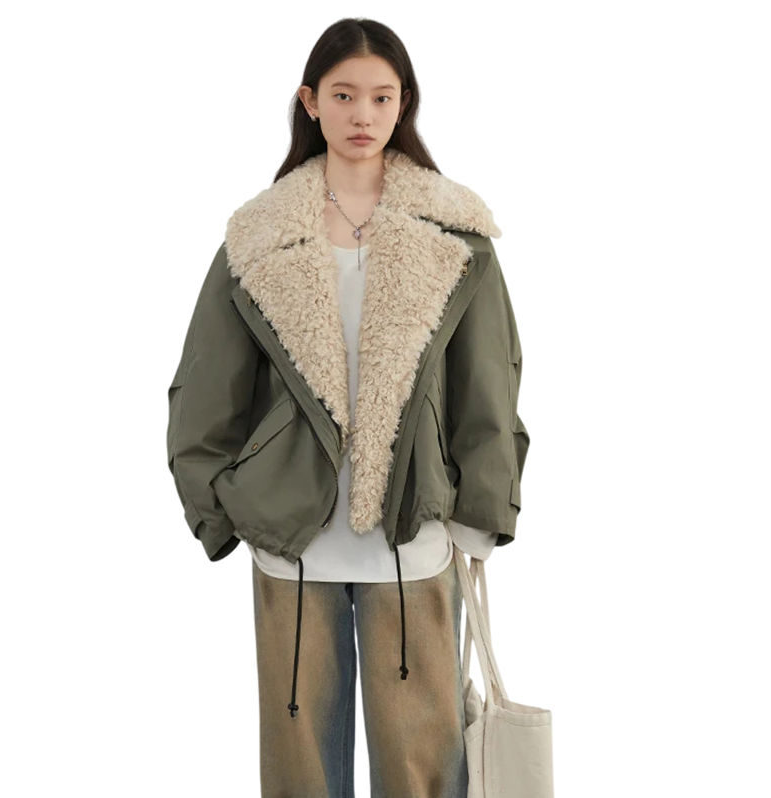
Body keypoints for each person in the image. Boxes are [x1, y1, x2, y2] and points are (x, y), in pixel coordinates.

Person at [165, 17, 530, 798]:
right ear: (310, 102)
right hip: (292, 544)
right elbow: (204, 388)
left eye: (381, 96)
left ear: (404, 104)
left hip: (415, 536)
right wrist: (223, 509)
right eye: (343, 95)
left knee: (421, 772)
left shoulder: (455, 233)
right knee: (298, 778)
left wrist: (480, 510)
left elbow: (489, 386)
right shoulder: (258, 237)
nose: (363, 114)